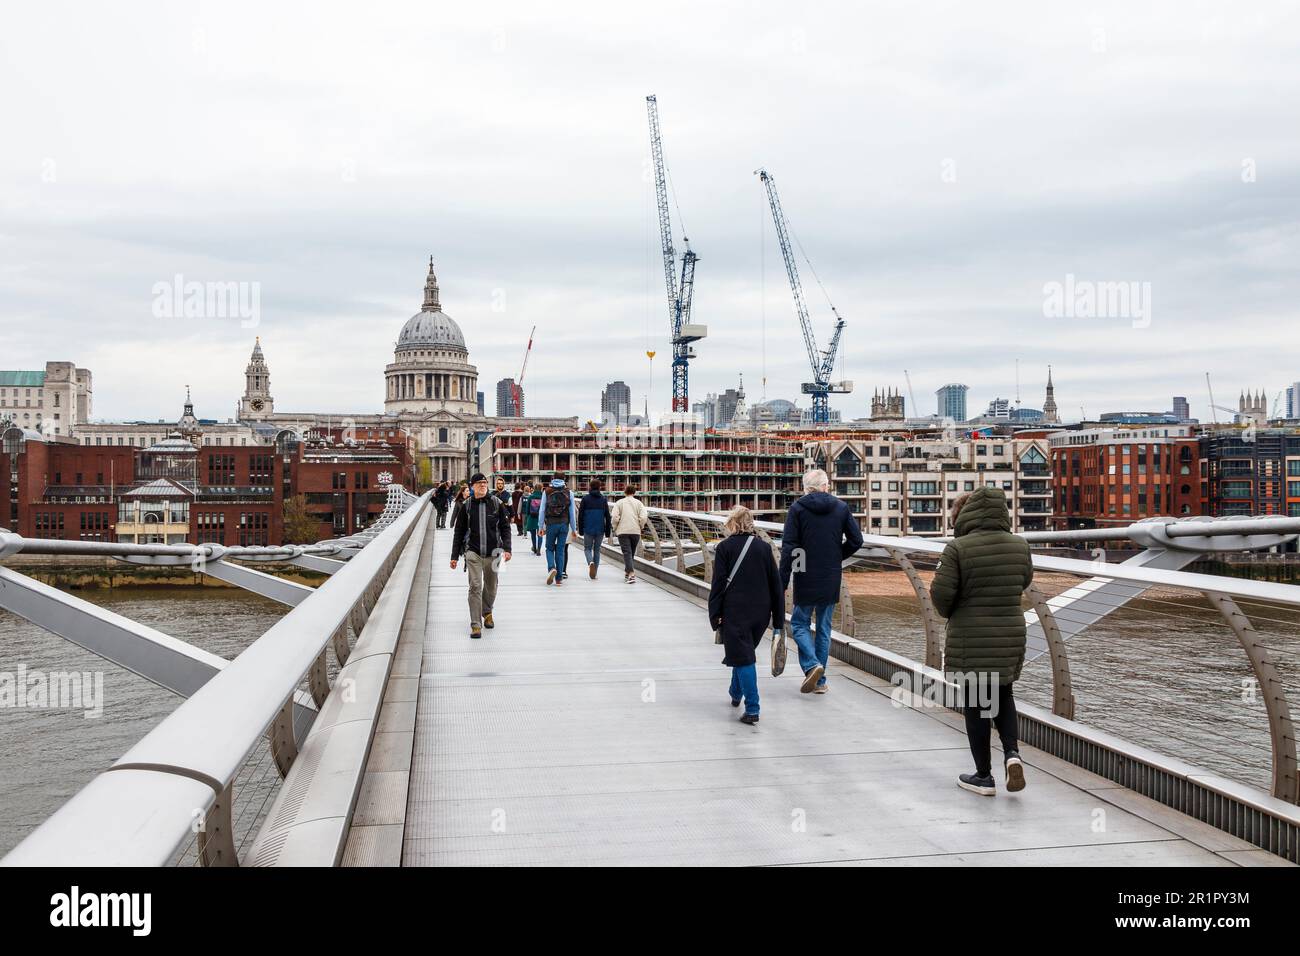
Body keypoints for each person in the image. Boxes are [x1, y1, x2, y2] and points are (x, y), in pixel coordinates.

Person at [929, 487, 1033, 797]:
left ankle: (984, 777)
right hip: (1011, 632)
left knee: (975, 704)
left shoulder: (957, 548)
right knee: (1003, 694)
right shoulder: (1020, 545)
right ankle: (1012, 755)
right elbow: (1024, 580)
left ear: (963, 517)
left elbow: (942, 598)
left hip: (970, 636)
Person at [779, 468, 864, 695]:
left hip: (804, 571)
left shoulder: (797, 509)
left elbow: (789, 547)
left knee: (799, 624)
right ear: (826, 485)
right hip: (830, 574)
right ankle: (820, 680)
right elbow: (857, 540)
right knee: (824, 628)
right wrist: (837, 556)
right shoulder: (841, 507)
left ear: (806, 488)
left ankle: (811, 666)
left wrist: (783, 579)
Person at [709, 506, 784, 725]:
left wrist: (715, 615)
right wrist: (778, 620)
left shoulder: (725, 548)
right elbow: (776, 586)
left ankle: (753, 708)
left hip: (735, 611)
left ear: (732, 523)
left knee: (744, 658)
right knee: (743, 653)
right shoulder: (763, 548)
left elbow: (718, 584)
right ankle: (735, 693)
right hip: (761, 612)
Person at [450, 472, 512, 638]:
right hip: (473, 552)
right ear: (472, 487)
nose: (483, 485)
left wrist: (507, 549)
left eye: (485, 483)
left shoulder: (497, 503)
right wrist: (454, 556)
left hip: (495, 552)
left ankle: (487, 612)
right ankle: (476, 624)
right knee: (475, 586)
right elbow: (459, 531)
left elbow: (506, 528)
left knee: (492, 587)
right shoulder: (467, 506)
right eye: (479, 484)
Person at [539, 474, 577, 586]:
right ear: (564, 480)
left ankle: (551, 568)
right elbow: (572, 513)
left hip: (551, 524)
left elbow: (542, 510)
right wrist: (574, 529)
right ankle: (559, 578)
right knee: (560, 551)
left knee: (549, 548)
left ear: (553, 479)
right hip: (564, 525)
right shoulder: (569, 493)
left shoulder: (547, 491)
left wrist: (540, 526)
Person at [609, 484, 649, 583]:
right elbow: (644, 517)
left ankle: (631, 574)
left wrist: (615, 527)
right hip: (635, 531)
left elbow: (614, 517)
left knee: (627, 552)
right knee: (631, 553)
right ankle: (627, 572)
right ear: (634, 493)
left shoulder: (619, 503)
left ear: (625, 492)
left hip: (623, 531)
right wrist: (641, 526)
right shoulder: (639, 503)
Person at [577, 479, 612, 579]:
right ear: (599, 487)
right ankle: (595, 572)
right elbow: (607, 516)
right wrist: (608, 531)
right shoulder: (603, 499)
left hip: (588, 528)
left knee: (587, 548)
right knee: (597, 550)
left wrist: (580, 529)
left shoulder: (585, 499)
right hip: (600, 529)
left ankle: (590, 562)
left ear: (590, 487)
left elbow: (580, 515)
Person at [523, 482, 544, 555]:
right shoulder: (543, 497)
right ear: (541, 489)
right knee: (540, 534)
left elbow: (527, 509)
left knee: (533, 534)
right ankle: (539, 550)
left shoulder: (530, 497)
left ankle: (534, 548)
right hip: (540, 518)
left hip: (532, 518)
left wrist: (527, 518)